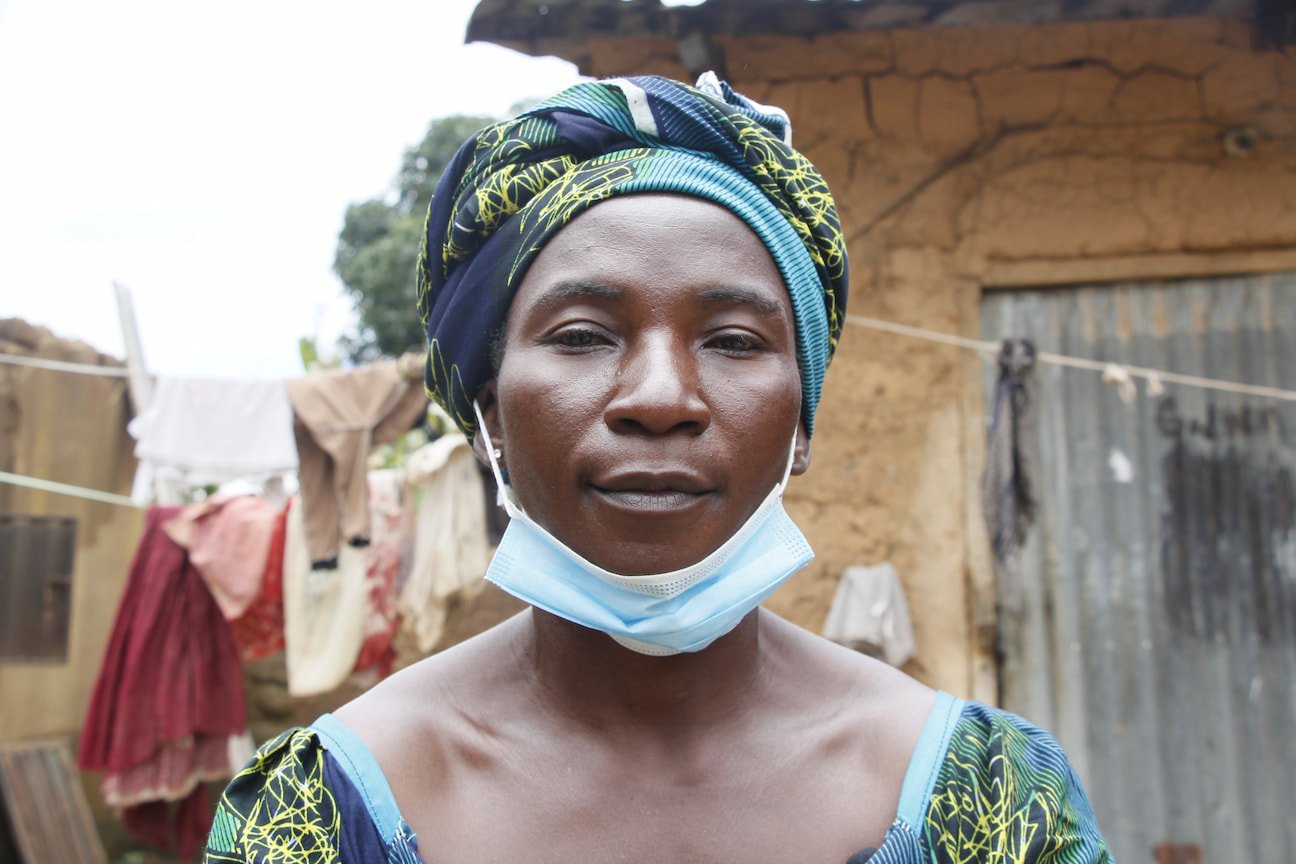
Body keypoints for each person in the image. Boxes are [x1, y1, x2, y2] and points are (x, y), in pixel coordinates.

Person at [204, 74, 1110, 864]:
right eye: (583, 336)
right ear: (489, 413)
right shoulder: (323, 816)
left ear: (803, 422)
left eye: (733, 340)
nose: (662, 396)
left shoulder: (990, 804)